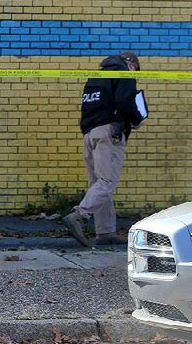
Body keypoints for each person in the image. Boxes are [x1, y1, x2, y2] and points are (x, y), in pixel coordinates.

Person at [63, 51, 147, 247]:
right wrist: (136, 120)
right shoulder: (124, 72)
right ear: (131, 63)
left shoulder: (96, 77)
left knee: (99, 184)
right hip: (109, 133)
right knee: (107, 181)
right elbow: (126, 100)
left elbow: (88, 107)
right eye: (136, 68)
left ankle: (105, 232)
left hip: (90, 133)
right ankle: (79, 215)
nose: (134, 71)